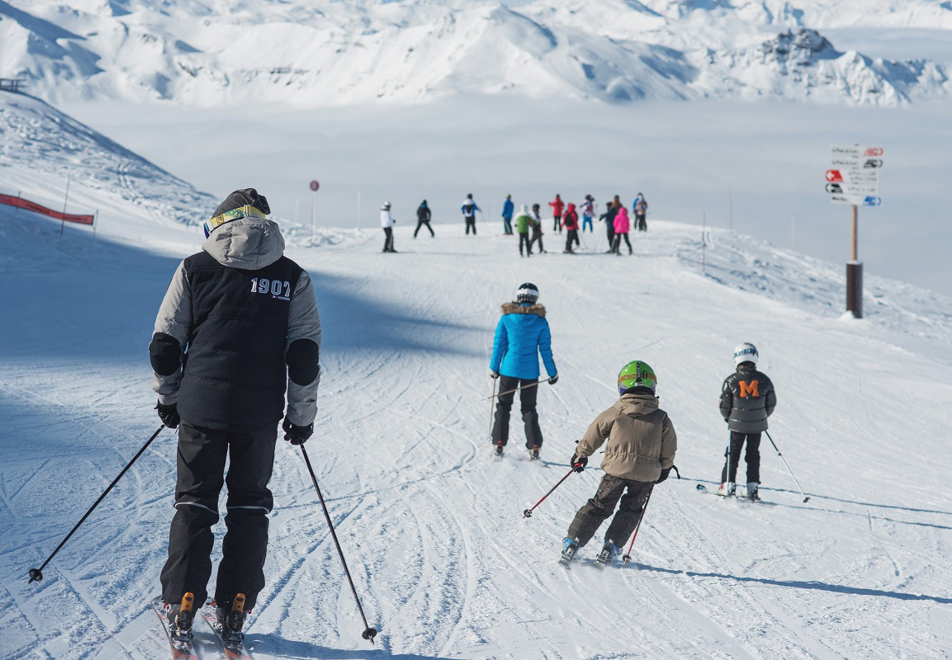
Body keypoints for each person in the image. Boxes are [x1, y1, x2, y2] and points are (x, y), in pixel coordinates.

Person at [150, 188, 321, 643]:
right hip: (259, 414)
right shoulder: (293, 277)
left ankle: (182, 602)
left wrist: (169, 398)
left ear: (220, 222)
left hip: (200, 408)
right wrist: (301, 416)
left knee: (195, 501)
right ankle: (235, 604)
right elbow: (303, 356)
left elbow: (166, 345)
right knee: (249, 505)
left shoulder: (194, 268)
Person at [561, 361, 677, 567]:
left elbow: (594, 433)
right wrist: (665, 467)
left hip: (616, 471)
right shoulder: (661, 417)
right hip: (646, 475)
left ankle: (574, 541)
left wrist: (581, 454)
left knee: (599, 505)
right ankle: (612, 545)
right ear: (652, 386)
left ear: (623, 386)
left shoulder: (616, 411)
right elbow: (669, 446)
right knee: (631, 509)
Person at [489, 283, 558, 459]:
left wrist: (494, 368)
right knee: (529, 408)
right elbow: (545, 349)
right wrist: (552, 372)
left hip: (508, 370)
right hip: (530, 373)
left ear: (518, 298)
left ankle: (498, 443)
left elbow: (499, 345)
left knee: (503, 406)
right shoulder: (541, 321)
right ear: (535, 299)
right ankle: (534, 446)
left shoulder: (506, 319)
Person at [718, 343, 776, 500]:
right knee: (753, 454)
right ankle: (752, 488)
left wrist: (729, 418)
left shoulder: (731, 381)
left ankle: (728, 484)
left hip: (736, 425)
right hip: (757, 425)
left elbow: (724, 405)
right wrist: (761, 417)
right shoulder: (764, 380)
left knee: (733, 453)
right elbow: (771, 404)